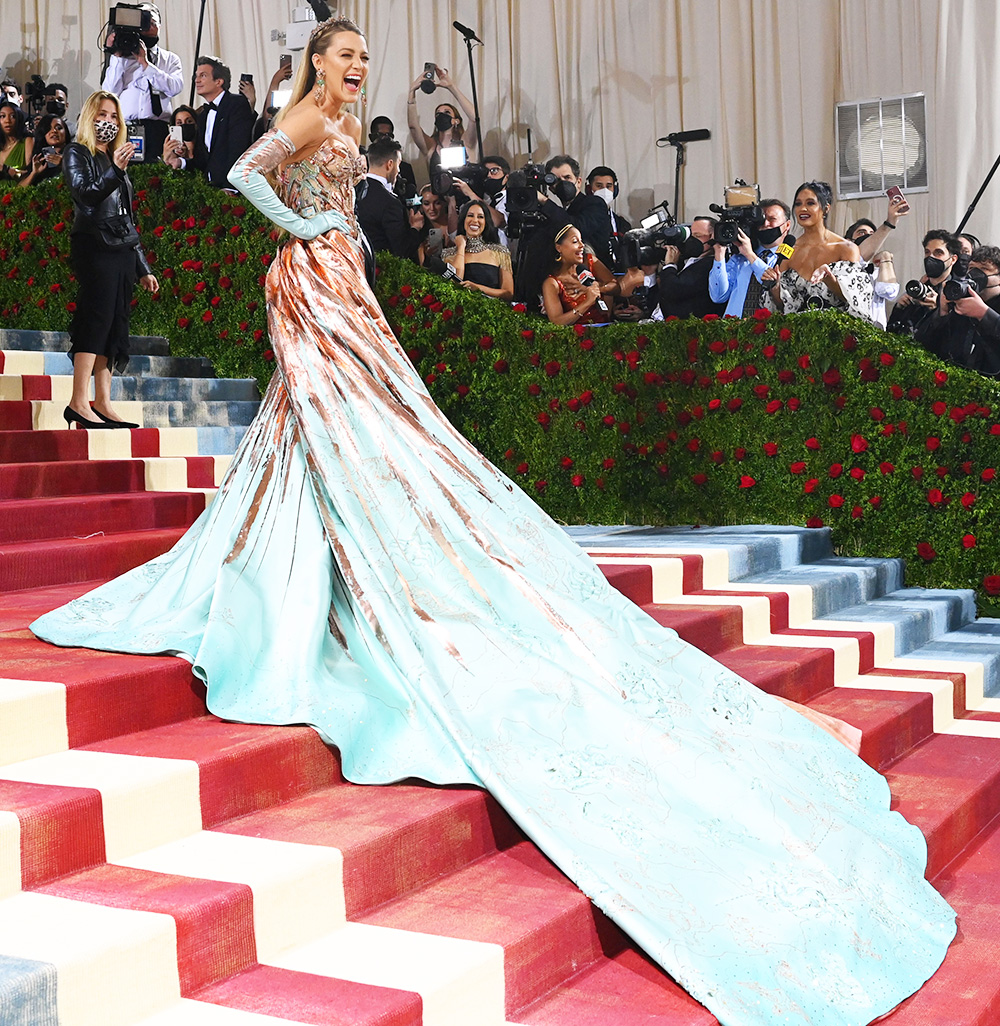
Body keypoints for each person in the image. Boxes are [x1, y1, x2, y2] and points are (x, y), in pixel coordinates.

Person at [31, 20, 955, 1026]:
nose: (354, 72)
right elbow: (246, 174)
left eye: (361, 64)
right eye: (344, 59)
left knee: (329, 436)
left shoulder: (332, 122)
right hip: (311, 282)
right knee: (347, 431)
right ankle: (300, 582)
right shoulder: (301, 114)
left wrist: (331, 238)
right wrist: (307, 234)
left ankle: (293, 568)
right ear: (314, 64)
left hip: (341, 280)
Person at [61, 90, 158, 429]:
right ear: (90, 116)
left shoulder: (118, 161)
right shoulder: (77, 153)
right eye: (103, 114)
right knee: (96, 317)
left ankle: (102, 401)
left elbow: (126, 217)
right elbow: (86, 195)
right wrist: (115, 170)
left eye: (114, 117)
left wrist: (142, 266)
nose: (109, 122)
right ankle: (77, 400)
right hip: (92, 244)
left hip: (120, 248)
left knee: (116, 323)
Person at [763, 181, 874, 321]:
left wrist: (829, 277)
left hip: (837, 334)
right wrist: (775, 286)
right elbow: (783, 306)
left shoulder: (846, 248)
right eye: (798, 204)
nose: (802, 209)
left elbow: (854, 300)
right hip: (798, 335)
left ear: (826, 208)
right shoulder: (789, 250)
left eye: (810, 203)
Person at [101, 2, 182, 158]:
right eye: (145, 22)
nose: (149, 27)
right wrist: (117, 57)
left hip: (158, 128)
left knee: (156, 178)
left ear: (160, 26)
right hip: (126, 128)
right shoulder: (121, 59)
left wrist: (145, 63)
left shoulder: (170, 59)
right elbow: (109, 93)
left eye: (153, 22)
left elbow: (175, 87)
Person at [164, 56, 255, 188]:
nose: (197, 80)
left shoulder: (237, 104)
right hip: (211, 188)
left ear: (218, 81)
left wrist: (230, 187)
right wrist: (181, 163)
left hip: (231, 190)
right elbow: (204, 159)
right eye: (196, 76)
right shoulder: (204, 115)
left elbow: (238, 150)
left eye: (203, 75)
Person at [914, 245, 1000, 375]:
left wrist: (984, 314)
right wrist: (942, 312)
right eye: (971, 268)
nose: (975, 274)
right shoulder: (960, 302)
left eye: (984, 269)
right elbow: (923, 342)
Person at [710, 199, 791, 317]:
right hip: (733, 330)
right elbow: (718, 296)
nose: (765, 224)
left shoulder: (789, 259)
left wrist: (750, 255)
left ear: (787, 225)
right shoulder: (739, 258)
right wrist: (719, 253)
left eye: (772, 219)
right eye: (761, 220)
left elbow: (773, 285)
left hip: (766, 331)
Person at [355, 136, 422, 261]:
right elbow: (401, 250)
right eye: (399, 164)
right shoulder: (390, 203)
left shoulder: (353, 190)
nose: (399, 170)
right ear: (390, 164)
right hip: (380, 270)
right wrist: (415, 228)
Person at [886, 230, 960, 338]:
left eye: (938, 253)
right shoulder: (918, 288)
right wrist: (899, 307)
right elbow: (891, 330)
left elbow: (951, 339)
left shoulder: (955, 294)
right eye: (927, 252)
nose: (931, 257)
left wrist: (937, 311)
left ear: (953, 259)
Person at [406, 66, 478, 168]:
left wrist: (451, 87)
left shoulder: (466, 142)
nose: (441, 115)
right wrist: (411, 92)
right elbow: (413, 126)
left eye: (447, 112)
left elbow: (475, 118)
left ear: (456, 121)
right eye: (438, 113)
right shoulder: (431, 146)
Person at [442, 199, 514, 300]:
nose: (475, 220)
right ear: (463, 220)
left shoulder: (500, 252)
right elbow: (454, 285)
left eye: (480, 217)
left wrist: (477, 288)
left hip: (492, 312)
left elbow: (508, 293)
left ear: (486, 222)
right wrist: (461, 247)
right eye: (470, 215)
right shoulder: (448, 254)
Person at [658, 215, 724, 319]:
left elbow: (673, 290)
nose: (692, 241)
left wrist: (670, 265)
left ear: (713, 237)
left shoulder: (711, 264)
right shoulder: (686, 259)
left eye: (698, 236)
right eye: (690, 236)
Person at [847, 219, 898, 329]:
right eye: (862, 233)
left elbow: (888, 291)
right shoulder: (842, 268)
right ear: (848, 241)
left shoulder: (877, 271)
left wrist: (885, 258)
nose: (868, 237)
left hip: (875, 335)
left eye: (872, 235)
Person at [587, 165, 631, 269]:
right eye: (599, 186)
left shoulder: (622, 223)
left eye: (608, 186)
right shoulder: (584, 221)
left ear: (615, 190)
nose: (604, 191)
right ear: (589, 189)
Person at [18, 113, 71, 187]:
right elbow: (18, 191)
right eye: (48, 129)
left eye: (59, 128)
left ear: (66, 133)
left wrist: (64, 164)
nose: (54, 131)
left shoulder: (73, 155)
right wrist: (34, 173)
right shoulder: (39, 159)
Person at [0, 100, 32, 181]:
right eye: (2, 116)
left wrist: (16, 173)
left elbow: (29, 173)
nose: (7, 121)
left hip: (18, 191)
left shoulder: (27, 141)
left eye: (12, 116)